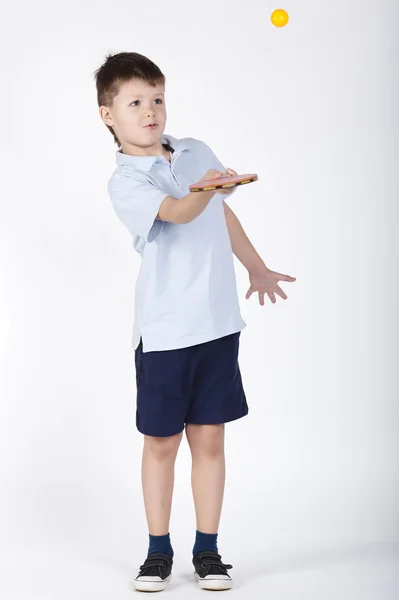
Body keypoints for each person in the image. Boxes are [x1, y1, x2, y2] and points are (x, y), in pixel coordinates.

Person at [94, 51, 296, 593]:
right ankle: (158, 552)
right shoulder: (126, 183)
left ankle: (207, 550)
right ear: (107, 114)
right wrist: (206, 188)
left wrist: (256, 267)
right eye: (134, 102)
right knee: (161, 443)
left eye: (157, 98)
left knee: (210, 441)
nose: (150, 110)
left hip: (217, 325)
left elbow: (219, 211)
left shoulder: (195, 150)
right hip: (164, 333)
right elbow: (182, 210)